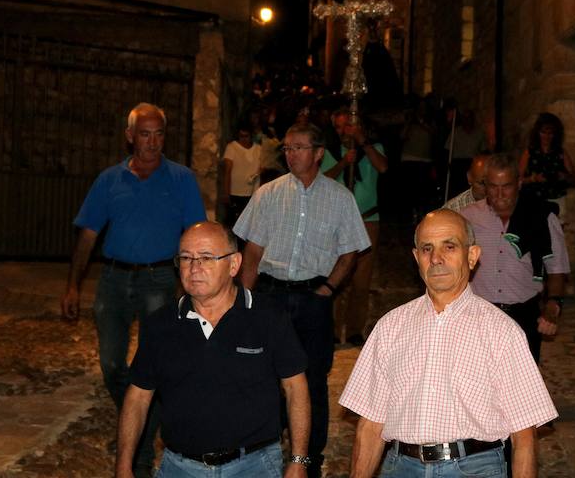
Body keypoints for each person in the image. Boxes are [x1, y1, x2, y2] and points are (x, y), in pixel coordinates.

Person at [340, 209, 557, 478]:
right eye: (426, 248)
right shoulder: (390, 327)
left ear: (472, 255)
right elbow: (371, 424)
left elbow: (524, 436)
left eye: (449, 246)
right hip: (400, 468)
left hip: (475, 469)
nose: (436, 258)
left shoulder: (502, 331)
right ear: (416, 257)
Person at [61, 102, 207, 478]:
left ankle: (138, 450)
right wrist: (73, 286)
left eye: (159, 134)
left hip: (159, 279)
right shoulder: (109, 180)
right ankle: (138, 419)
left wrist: (195, 286)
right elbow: (88, 234)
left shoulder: (181, 179)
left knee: (152, 367)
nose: (153, 142)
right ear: (129, 136)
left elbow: (195, 235)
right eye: (145, 134)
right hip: (113, 278)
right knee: (112, 365)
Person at [115, 222, 311, 478]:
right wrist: (123, 465)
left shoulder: (268, 317)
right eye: (186, 258)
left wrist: (298, 461)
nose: (194, 268)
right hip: (180, 467)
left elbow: (296, 388)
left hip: (255, 466)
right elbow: (138, 397)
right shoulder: (161, 324)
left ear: (234, 264)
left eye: (206, 258)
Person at [234, 122, 371, 478]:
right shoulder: (268, 193)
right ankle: (263, 447)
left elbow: (351, 251)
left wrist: (327, 291)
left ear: (318, 153)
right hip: (270, 294)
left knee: (312, 379)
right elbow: (251, 254)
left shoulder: (340, 198)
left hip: (312, 298)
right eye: (288, 148)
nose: (291, 154)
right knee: (263, 374)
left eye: (298, 147)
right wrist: (242, 302)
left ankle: (309, 456)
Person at [459, 153, 569, 363]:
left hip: (524, 314)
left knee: (521, 388)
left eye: (506, 186)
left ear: (518, 183)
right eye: (492, 186)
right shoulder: (467, 218)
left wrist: (553, 306)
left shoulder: (542, 216)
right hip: (479, 315)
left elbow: (557, 269)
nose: (499, 194)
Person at [320, 109, 388, 346]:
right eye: (338, 127)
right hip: (340, 222)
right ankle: (333, 329)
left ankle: (354, 330)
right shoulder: (331, 152)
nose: (343, 132)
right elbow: (323, 179)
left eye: (347, 126)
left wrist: (362, 143)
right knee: (338, 277)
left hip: (368, 220)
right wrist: (343, 162)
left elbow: (382, 167)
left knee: (361, 280)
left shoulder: (373, 148)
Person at [518, 112, 575, 217]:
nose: (546, 136)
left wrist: (563, 176)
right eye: (543, 132)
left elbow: (574, 180)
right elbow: (517, 180)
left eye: (550, 133)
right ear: (537, 133)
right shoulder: (529, 152)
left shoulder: (561, 153)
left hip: (556, 200)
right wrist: (533, 178)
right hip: (534, 200)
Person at [221, 122, 261, 227]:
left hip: (252, 193)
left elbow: (262, 168)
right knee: (233, 223)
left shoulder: (258, 149)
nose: (243, 139)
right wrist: (226, 192)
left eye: (246, 136)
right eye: (241, 136)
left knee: (249, 224)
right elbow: (227, 171)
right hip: (235, 193)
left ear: (251, 136)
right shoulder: (232, 147)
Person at [443, 109, 489, 199]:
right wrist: (447, 164)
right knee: (457, 190)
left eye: (469, 118)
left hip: (472, 163)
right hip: (458, 164)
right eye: (465, 118)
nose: (467, 120)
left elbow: (484, 151)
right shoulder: (455, 132)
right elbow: (447, 149)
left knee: (472, 190)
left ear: (473, 119)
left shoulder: (479, 133)